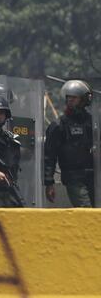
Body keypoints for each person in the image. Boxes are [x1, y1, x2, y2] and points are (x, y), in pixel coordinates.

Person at [44, 79, 94, 207]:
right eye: (69, 98)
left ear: (84, 100)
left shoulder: (92, 122)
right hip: (74, 176)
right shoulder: (59, 125)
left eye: (75, 98)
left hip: (95, 175)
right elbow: (50, 155)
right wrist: (49, 183)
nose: (71, 101)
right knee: (86, 210)